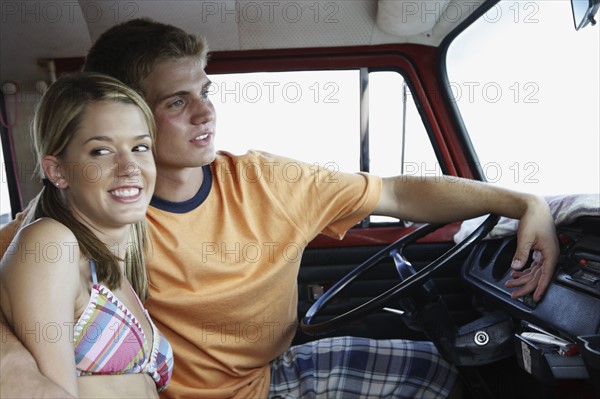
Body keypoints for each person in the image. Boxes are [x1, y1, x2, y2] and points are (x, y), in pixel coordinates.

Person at [0, 18, 559, 399]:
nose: (205, 113)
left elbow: (397, 192)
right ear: (125, 113)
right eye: (177, 101)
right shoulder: (91, 215)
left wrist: (520, 201)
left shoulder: (267, 181)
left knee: (435, 370)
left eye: (205, 90)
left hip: (267, 373)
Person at [0, 73, 174, 398]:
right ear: (57, 171)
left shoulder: (116, 256)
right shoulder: (50, 244)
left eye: (140, 147)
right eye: (101, 151)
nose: (129, 167)